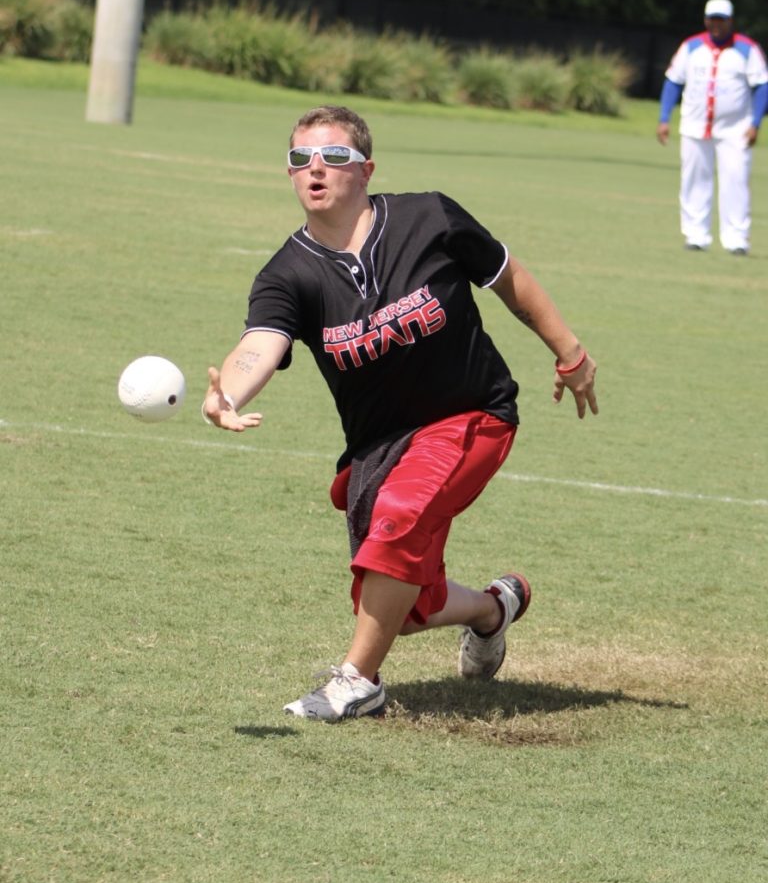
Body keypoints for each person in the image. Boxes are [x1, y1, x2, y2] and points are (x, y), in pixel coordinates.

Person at [203, 105, 598, 722]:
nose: (315, 169)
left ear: (365, 170)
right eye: (300, 158)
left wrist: (569, 352)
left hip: (472, 414)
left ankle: (358, 681)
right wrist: (227, 393)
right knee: (403, 609)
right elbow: (261, 343)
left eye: (334, 156)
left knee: (400, 516)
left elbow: (507, 277)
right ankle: (494, 609)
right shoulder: (289, 273)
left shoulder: (428, 217)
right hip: (380, 445)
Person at [656, 0, 768, 254]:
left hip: (735, 129)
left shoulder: (747, 49)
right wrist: (664, 118)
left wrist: (755, 123)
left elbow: (762, 85)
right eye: (712, 19)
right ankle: (696, 235)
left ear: (731, 21)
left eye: (722, 19)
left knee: (736, 181)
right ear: (706, 20)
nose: (717, 24)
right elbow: (673, 81)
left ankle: (736, 239)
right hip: (695, 125)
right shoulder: (691, 46)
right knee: (694, 180)